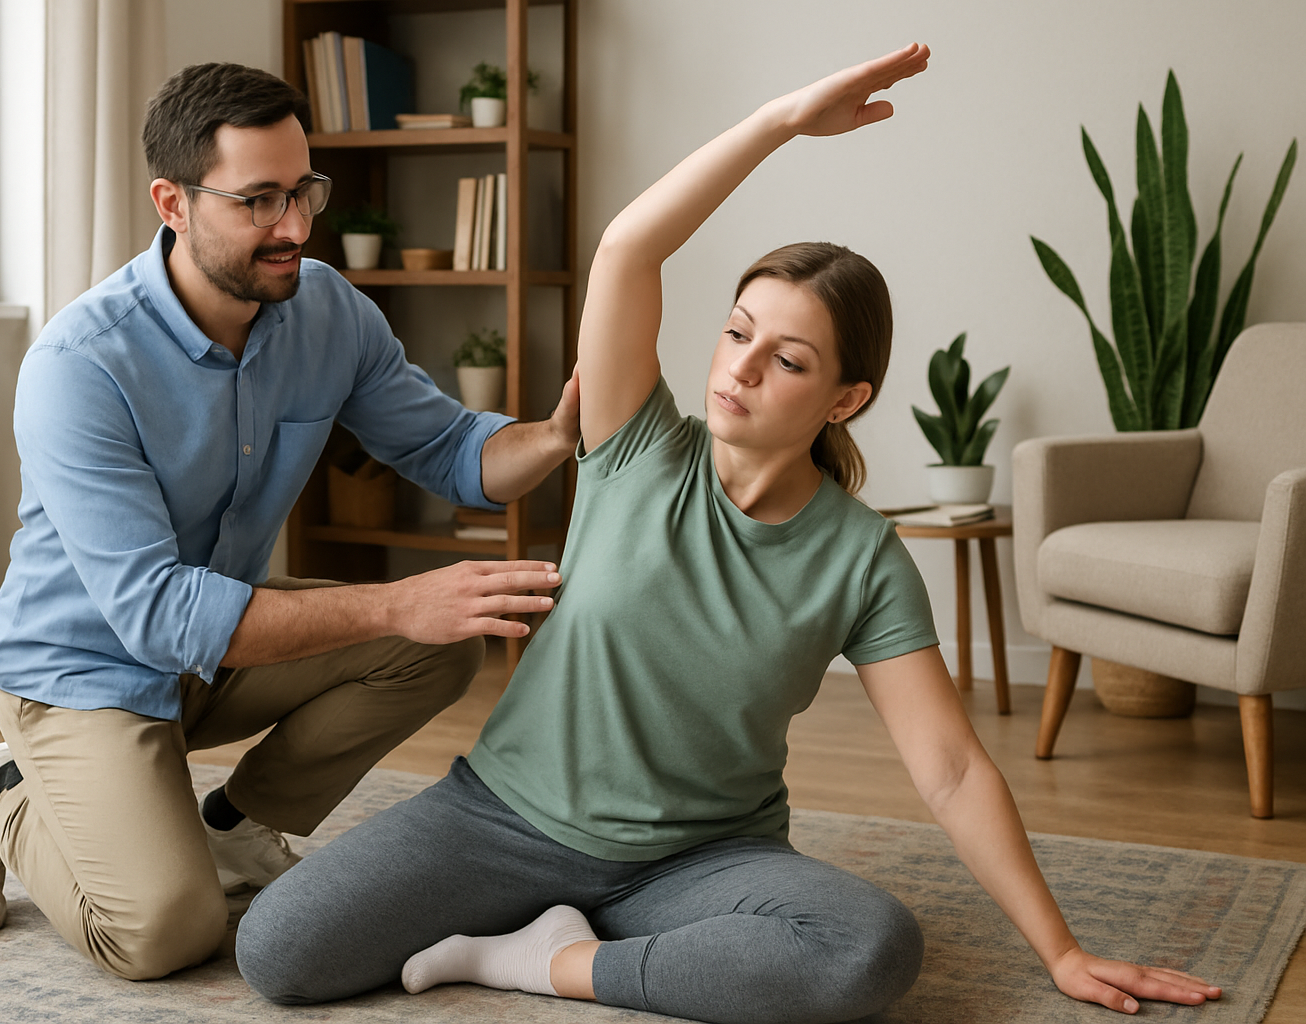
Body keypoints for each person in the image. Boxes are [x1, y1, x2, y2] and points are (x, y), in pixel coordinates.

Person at [232, 44, 1224, 1023]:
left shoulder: (862, 558)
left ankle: (544, 960)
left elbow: (952, 767)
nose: (740, 370)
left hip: (702, 857)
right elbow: (629, 247)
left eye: (787, 359)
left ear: (846, 398)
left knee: (868, 948)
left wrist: (1061, 949)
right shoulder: (637, 444)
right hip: (502, 818)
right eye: (737, 331)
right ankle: (567, 924)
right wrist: (782, 122)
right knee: (278, 951)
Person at [0, 62, 580, 981]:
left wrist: (557, 434)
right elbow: (153, 615)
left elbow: (453, 453)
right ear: (174, 202)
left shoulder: (329, 311)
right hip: (81, 669)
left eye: (304, 190)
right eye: (260, 200)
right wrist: (395, 603)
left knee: (442, 641)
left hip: (215, 644)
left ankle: (230, 828)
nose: (298, 227)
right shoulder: (81, 363)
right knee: (163, 935)